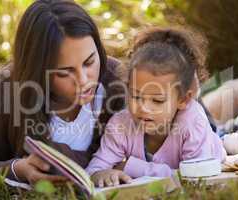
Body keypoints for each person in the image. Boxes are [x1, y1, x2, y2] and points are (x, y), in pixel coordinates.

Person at [0, 0, 125, 185]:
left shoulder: (117, 80)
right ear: (37, 69)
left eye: (89, 61)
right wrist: (16, 169)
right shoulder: (6, 89)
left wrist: (119, 168)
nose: (84, 81)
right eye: (64, 72)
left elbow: (154, 154)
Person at [86, 27, 226, 187]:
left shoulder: (192, 123)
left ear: (183, 99)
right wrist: (100, 173)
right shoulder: (121, 124)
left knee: (230, 139)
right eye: (136, 96)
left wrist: (133, 167)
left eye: (157, 100)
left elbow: (196, 179)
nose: (144, 108)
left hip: (213, 147)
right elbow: (93, 170)